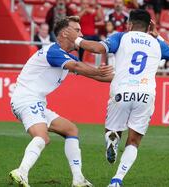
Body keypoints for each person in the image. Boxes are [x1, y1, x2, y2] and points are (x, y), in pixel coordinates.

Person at [70, 9, 169, 187]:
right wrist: (158, 36)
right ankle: (117, 180)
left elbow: (97, 48)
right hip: (146, 94)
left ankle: (112, 139)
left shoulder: (121, 37)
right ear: (149, 26)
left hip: (122, 90)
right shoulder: (156, 43)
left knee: (111, 130)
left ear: (129, 24)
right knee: (134, 140)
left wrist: (75, 39)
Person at [9, 16, 113, 187]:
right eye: (77, 30)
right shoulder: (53, 51)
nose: (82, 34)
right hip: (26, 99)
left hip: (36, 102)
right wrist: (98, 71)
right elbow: (81, 68)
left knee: (70, 130)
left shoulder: (64, 55)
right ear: (65, 33)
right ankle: (21, 172)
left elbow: (94, 75)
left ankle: (78, 179)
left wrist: (128, 80)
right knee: (43, 137)